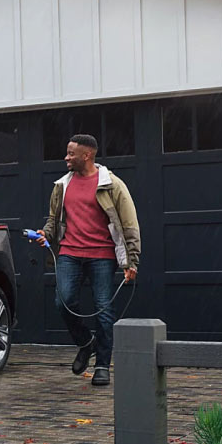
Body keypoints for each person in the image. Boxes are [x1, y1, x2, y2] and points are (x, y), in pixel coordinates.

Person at [35, 134, 140, 386]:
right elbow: (54, 219)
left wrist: (131, 261)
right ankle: (86, 342)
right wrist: (45, 233)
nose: (66, 157)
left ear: (87, 155)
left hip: (101, 255)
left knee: (103, 309)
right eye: (67, 152)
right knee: (63, 302)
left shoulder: (112, 185)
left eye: (71, 153)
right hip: (69, 252)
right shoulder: (61, 186)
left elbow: (129, 224)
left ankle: (102, 365)